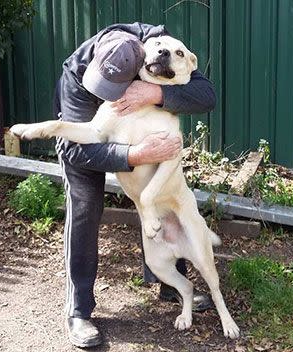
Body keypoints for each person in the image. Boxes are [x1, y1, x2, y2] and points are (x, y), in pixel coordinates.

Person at [54, 23, 217, 348]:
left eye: (117, 86)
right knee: (85, 204)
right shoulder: (76, 76)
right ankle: (79, 309)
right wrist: (133, 155)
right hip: (90, 142)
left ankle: (171, 283)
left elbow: (206, 95)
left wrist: (157, 93)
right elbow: (73, 148)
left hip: (141, 133)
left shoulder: (159, 46)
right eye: (104, 86)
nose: (110, 95)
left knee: (162, 192)